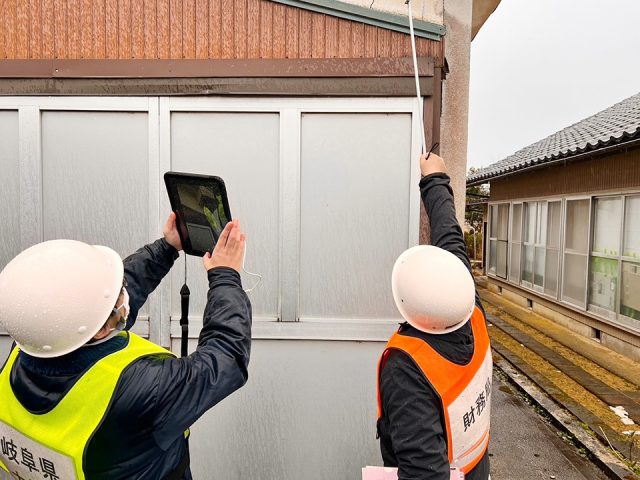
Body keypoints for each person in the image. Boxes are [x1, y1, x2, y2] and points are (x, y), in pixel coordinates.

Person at [0, 215, 251, 480]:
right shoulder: (144, 388)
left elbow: (88, 313)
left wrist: (166, 248)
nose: (123, 292)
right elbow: (226, 357)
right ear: (100, 329)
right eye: (119, 292)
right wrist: (225, 276)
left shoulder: (30, 345)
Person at [376, 153, 492, 480]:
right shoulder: (473, 314)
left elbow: (424, 473)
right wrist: (434, 179)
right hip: (477, 467)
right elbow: (450, 236)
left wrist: (435, 178)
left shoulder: (408, 367)